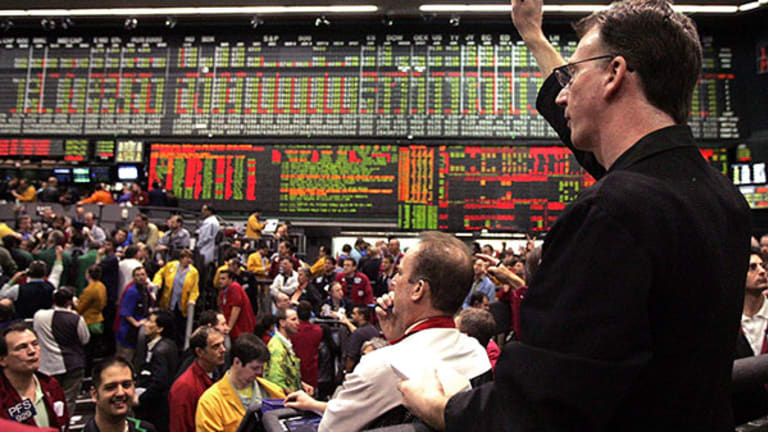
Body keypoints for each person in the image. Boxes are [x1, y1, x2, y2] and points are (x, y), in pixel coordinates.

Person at [396, 1, 752, 431]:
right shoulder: (718, 197)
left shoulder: (611, 213)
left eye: (572, 76)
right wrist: (534, 36)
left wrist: (441, 407)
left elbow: (540, 410)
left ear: (614, 74)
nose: (562, 95)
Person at [286, 232, 491, 431]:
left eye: (400, 273)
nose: (393, 281)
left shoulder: (381, 365)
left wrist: (393, 348)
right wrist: (398, 338)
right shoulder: (476, 352)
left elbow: (330, 428)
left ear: (418, 289)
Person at [195, 334, 286, 432]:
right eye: (255, 368)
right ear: (237, 362)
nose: (259, 372)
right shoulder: (210, 403)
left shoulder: (274, 392)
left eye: (261, 367)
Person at [33, 286, 90, 414]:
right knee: (68, 399)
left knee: (48, 398)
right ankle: (64, 423)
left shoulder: (39, 316)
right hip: (73, 364)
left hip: (47, 366)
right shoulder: (76, 319)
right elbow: (85, 339)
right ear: (70, 301)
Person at [0, 323, 69, 429]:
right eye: (22, 347)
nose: (32, 351)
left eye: (35, 344)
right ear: (2, 360)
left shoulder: (51, 385)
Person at [169, 326, 227, 432]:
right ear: (200, 352)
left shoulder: (218, 374)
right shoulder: (184, 386)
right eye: (216, 347)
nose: (223, 350)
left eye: (223, 344)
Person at [733, 250, 768, 424]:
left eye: (763, 266)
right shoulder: (729, 321)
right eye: (752, 267)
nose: (761, 271)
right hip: (745, 414)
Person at [134, 310, 178, 432]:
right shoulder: (168, 345)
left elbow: (159, 382)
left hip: (155, 407)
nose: (146, 324)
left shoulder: (160, 351)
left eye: (150, 321)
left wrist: (140, 399)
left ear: (160, 329)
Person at [86, 357, 157, 432]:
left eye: (126, 385)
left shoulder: (146, 430)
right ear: (94, 394)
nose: (120, 393)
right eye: (111, 387)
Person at [153, 249, 199, 345]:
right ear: (181, 258)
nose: (189, 260)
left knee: (179, 327)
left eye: (190, 258)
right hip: (169, 301)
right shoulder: (171, 266)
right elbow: (159, 274)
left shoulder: (193, 272)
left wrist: (192, 300)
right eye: (186, 258)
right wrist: (157, 283)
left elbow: (194, 289)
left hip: (182, 304)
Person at [264, 307, 313, 394]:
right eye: (293, 320)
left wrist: (302, 385)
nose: (298, 323)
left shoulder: (286, 343)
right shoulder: (277, 347)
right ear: (282, 323)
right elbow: (276, 381)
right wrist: (296, 396)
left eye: (297, 319)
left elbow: (288, 375)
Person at [0, 255, 63, 320]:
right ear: (45, 273)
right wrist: (59, 255)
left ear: (28, 273)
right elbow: (57, 271)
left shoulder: (18, 289)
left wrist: (13, 280)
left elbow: (1, 295)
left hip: (22, 322)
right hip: (44, 321)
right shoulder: (51, 285)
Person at [115, 266, 154, 363]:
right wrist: (136, 323)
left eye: (143, 274)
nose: (141, 277)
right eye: (137, 275)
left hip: (138, 333)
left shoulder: (145, 290)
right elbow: (126, 313)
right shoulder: (131, 292)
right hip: (128, 333)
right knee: (125, 361)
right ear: (133, 278)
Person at [290, 301, 323, 390]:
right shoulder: (318, 330)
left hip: (296, 370)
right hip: (311, 370)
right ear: (310, 314)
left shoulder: (292, 332)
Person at [217, 269, 256, 342]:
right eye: (220, 279)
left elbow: (236, 308)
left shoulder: (235, 287)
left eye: (223, 279)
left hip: (242, 328)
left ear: (230, 279)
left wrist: (229, 328)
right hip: (234, 329)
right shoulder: (223, 291)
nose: (220, 281)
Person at [342, 305, 381, 373]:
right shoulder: (374, 330)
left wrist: (347, 371)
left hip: (358, 369)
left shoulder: (358, 333)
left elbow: (352, 357)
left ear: (361, 316)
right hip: (373, 368)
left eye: (354, 314)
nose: (351, 316)